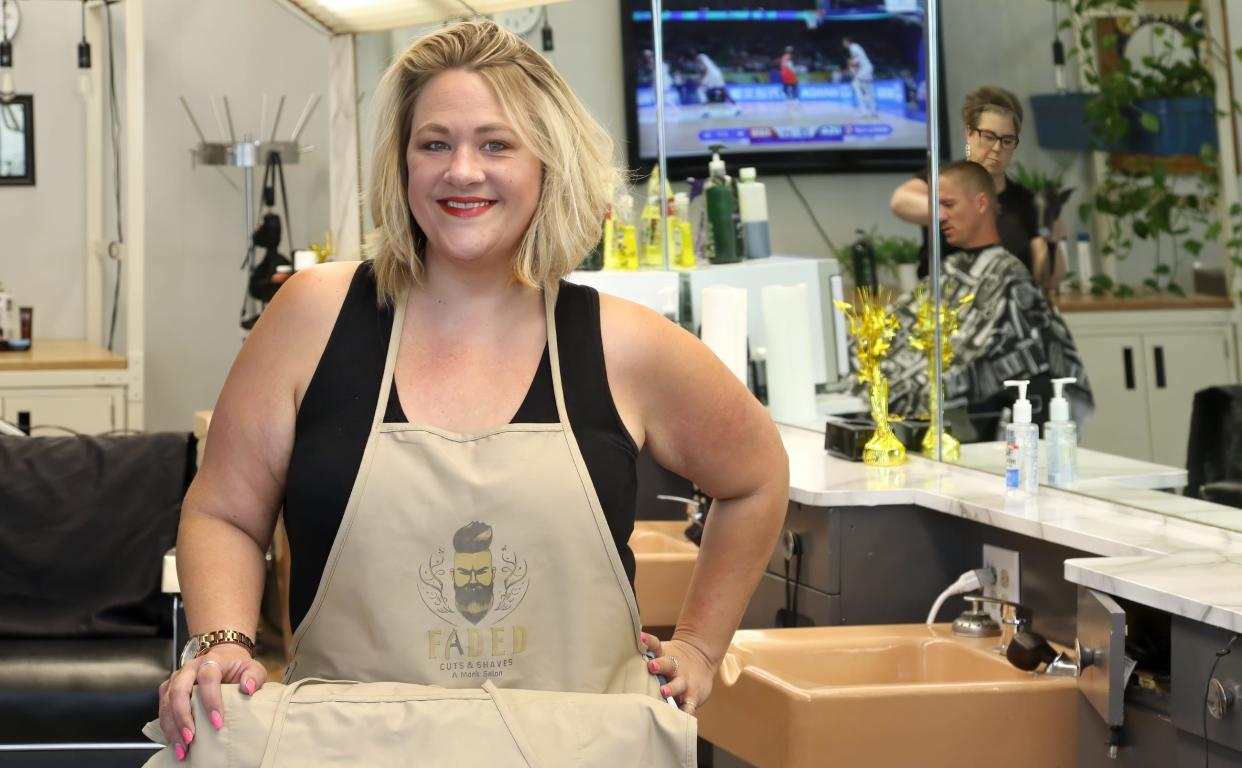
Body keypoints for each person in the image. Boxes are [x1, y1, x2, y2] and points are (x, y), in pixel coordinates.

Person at [156, 19, 788, 760]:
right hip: (350, 749)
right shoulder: (312, 318)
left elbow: (756, 476)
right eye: (434, 144)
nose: (462, 171)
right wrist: (225, 639)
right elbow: (226, 510)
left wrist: (702, 648)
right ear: (402, 165)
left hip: (581, 750)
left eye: (496, 143)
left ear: (547, 164)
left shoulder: (627, 346)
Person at [882, 161, 1092, 439]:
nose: (940, 216)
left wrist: (1049, 238)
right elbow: (900, 201)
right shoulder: (952, 258)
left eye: (949, 206)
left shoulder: (1021, 212)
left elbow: (1045, 278)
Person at [889, 85, 1066, 292]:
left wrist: (1053, 241)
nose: (997, 148)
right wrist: (954, 208)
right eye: (989, 137)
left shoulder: (1025, 201)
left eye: (1007, 140)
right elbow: (901, 201)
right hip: (947, 314)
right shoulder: (945, 180)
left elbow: (1047, 278)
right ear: (970, 133)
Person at [841, 36, 876, 118]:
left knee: (855, 85)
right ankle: (873, 111)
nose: (843, 44)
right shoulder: (857, 46)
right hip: (868, 68)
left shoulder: (853, 48)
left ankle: (864, 111)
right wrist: (853, 66)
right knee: (868, 90)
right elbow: (859, 60)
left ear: (847, 42)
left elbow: (858, 61)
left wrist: (850, 63)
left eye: (843, 42)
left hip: (864, 70)